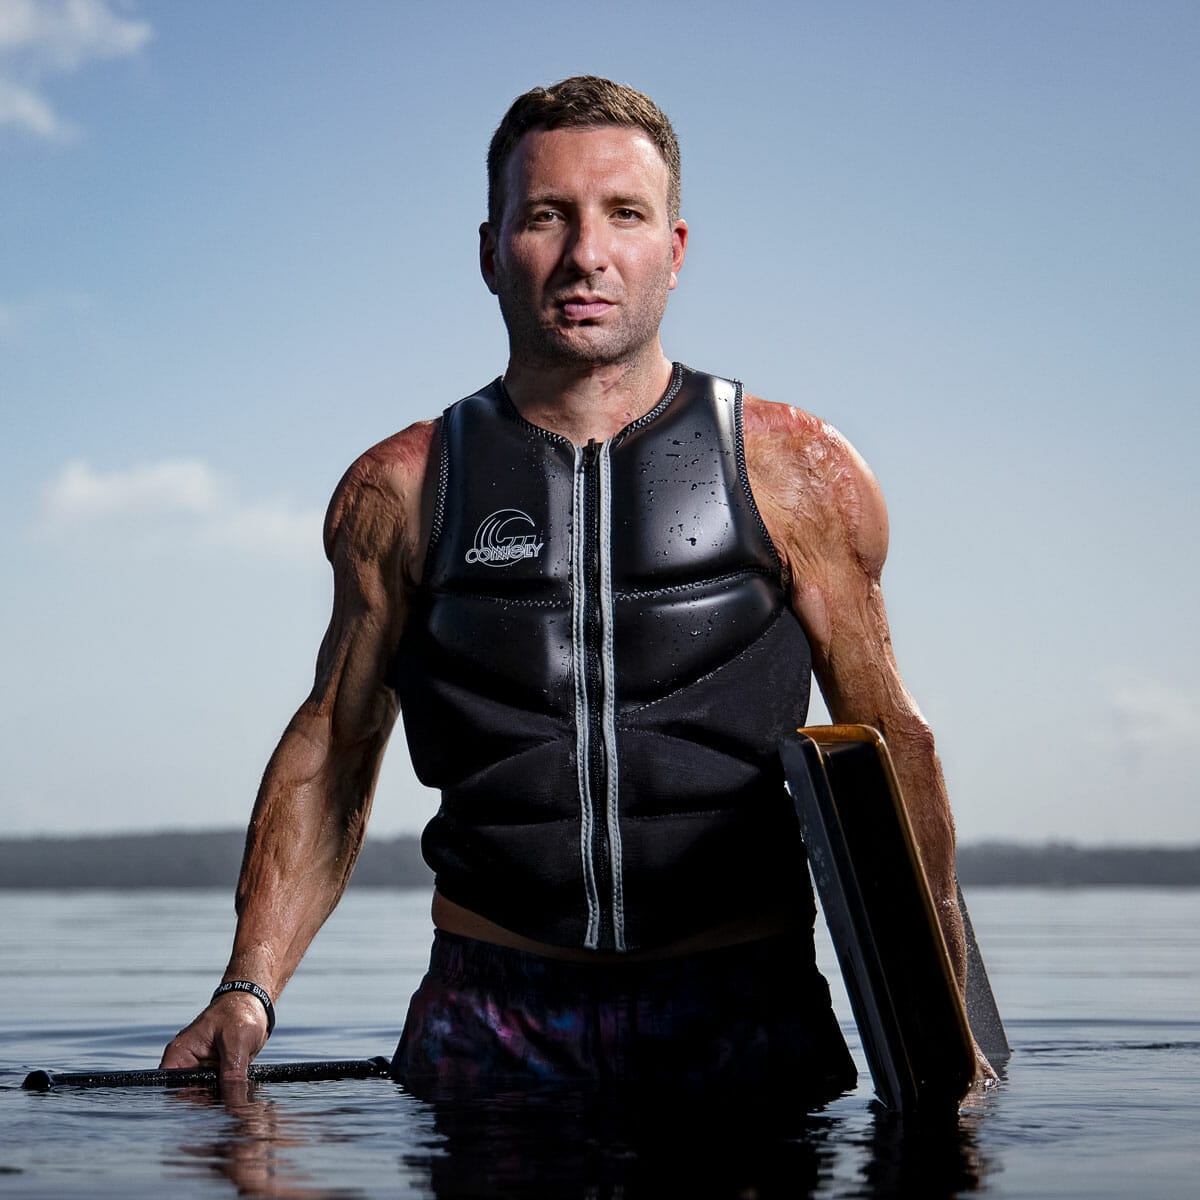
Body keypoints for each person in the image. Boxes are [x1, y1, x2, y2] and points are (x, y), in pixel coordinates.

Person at [161, 75, 993, 1100]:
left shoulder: (796, 469)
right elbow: (337, 739)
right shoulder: (403, 486)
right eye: (546, 215)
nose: (585, 253)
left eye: (624, 216)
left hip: (743, 1008)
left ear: (675, 251)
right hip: (492, 1013)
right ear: (489, 249)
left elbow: (886, 733)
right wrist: (248, 989)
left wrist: (946, 1009)